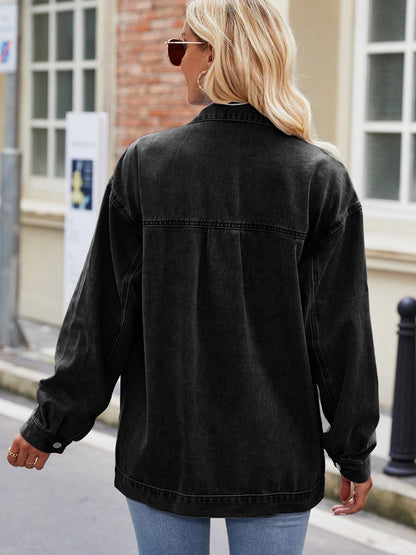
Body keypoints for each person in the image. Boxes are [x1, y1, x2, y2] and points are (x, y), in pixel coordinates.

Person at [7, 0, 379, 553]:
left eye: (180, 47)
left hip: (165, 449)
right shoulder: (318, 178)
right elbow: (342, 337)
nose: (176, 60)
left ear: (213, 56)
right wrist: (353, 451)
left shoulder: (146, 166)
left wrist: (51, 423)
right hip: (275, 458)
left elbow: (103, 319)